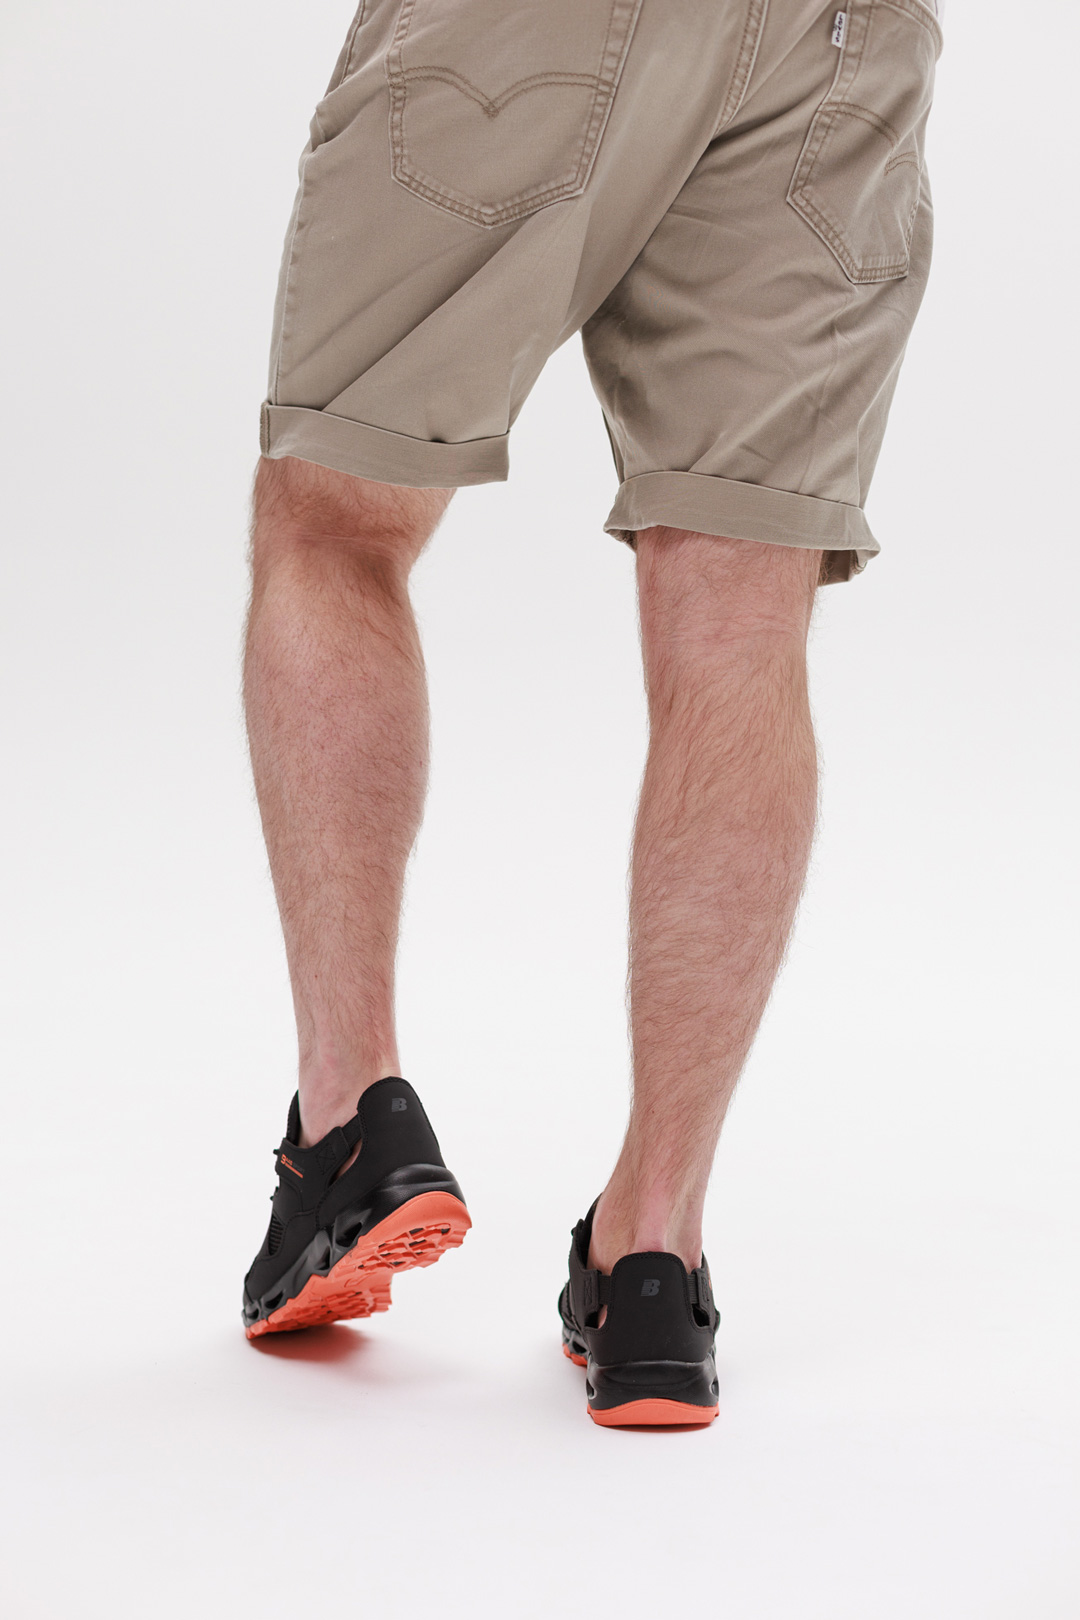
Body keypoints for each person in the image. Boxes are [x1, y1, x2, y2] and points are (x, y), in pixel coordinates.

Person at [240, 0, 940, 1426]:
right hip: (839, 39)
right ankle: (652, 1262)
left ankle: (348, 1125)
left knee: (337, 520)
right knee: (742, 621)